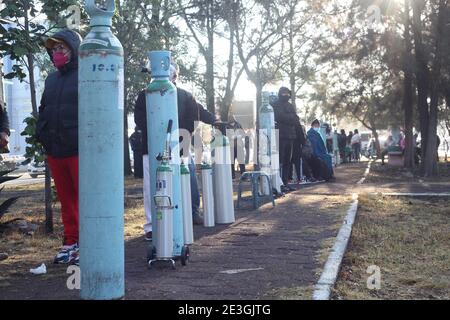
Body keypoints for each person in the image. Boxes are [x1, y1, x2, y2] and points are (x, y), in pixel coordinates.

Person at [134, 62, 217, 240]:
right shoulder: (145, 94)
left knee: (184, 182)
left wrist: (215, 121)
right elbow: (140, 119)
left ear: (175, 76)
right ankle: (151, 226)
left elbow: (198, 113)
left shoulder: (185, 96)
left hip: (179, 147)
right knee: (152, 187)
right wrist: (156, 133)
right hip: (152, 148)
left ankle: (184, 217)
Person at [36, 29, 82, 265]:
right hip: (55, 150)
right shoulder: (50, 79)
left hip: (78, 149)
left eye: (61, 48)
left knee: (84, 198)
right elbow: (44, 108)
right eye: (53, 50)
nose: (57, 53)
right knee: (66, 200)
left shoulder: (85, 75)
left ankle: (89, 244)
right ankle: (70, 242)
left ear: (73, 50)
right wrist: (41, 135)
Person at [271, 87, 302, 192]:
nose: (286, 95)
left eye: (287, 93)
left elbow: (296, 119)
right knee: (279, 160)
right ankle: (278, 184)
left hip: (291, 137)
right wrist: (290, 118)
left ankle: (285, 183)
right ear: (280, 93)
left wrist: (289, 118)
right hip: (280, 136)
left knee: (287, 161)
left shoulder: (290, 105)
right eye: (284, 93)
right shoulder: (275, 105)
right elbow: (280, 117)